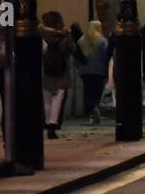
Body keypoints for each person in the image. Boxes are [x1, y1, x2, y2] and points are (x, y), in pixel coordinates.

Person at [40, 10, 75, 139]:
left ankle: (47, 122)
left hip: (47, 70)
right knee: (58, 98)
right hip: (62, 70)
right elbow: (72, 49)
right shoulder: (65, 35)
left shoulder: (42, 35)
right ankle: (53, 125)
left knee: (47, 99)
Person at [77, 20, 109, 125]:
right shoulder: (102, 41)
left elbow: (78, 55)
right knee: (97, 92)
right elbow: (106, 56)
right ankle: (96, 107)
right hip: (99, 71)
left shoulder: (81, 40)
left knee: (88, 91)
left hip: (85, 71)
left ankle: (90, 112)